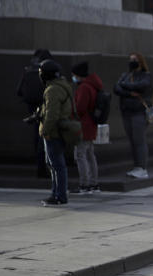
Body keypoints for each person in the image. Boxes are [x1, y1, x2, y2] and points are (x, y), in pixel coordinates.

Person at [37, 59, 73, 206]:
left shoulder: (52, 90)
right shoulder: (62, 85)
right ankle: (56, 193)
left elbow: (52, 114)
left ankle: (59, 195)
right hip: (59, 130)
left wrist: (45, 130)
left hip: (54, 132)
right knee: (54, 164)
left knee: (56, 165)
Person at [114, 52, 153, 178]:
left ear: (140, 61)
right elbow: (116, 88)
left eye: (135, 59)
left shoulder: (146, 76)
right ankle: (136, 166)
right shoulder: (125, 75)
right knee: (132, 141)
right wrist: (130, 93)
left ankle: (142, 167)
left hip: (139, 112)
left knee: (139, 140)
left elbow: (142, 86)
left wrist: (125, 87)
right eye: (130, 59)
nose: (132, 61)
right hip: (126, 111)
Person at [17, 49, 52, 178]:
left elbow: (19, 91)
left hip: (32, 107)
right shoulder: (48, 69)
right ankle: (43, 167)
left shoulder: (28, 69)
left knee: (36, 135)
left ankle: (39, 165)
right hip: (45, 106)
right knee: (45, 137)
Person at [70, 62, 104, 194]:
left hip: (83, 125)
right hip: (91, 124)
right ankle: (94, 183)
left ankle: (84, 184)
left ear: (79, 75)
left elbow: (80, 108)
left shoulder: (84, 87)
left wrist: (71, 111)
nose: (73, 78)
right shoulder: (93, 85)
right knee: (90, 154)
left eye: (74, 75)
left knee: (80, 155)